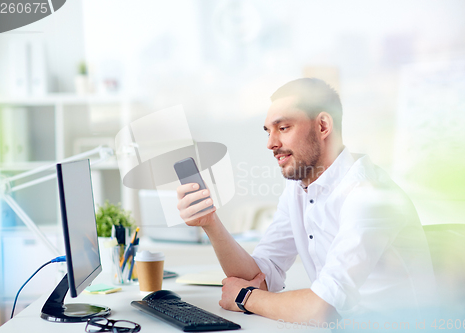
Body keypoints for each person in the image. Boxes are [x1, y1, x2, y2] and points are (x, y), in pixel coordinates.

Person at [176, 78, 436, 324]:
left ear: (323, 126)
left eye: (283, 128)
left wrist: (245, 298)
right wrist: (210, 222)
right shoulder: (299, 190)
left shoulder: (369, 195)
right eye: (268, 131)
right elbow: (260, 276)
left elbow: (322, 308)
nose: (270, 143)